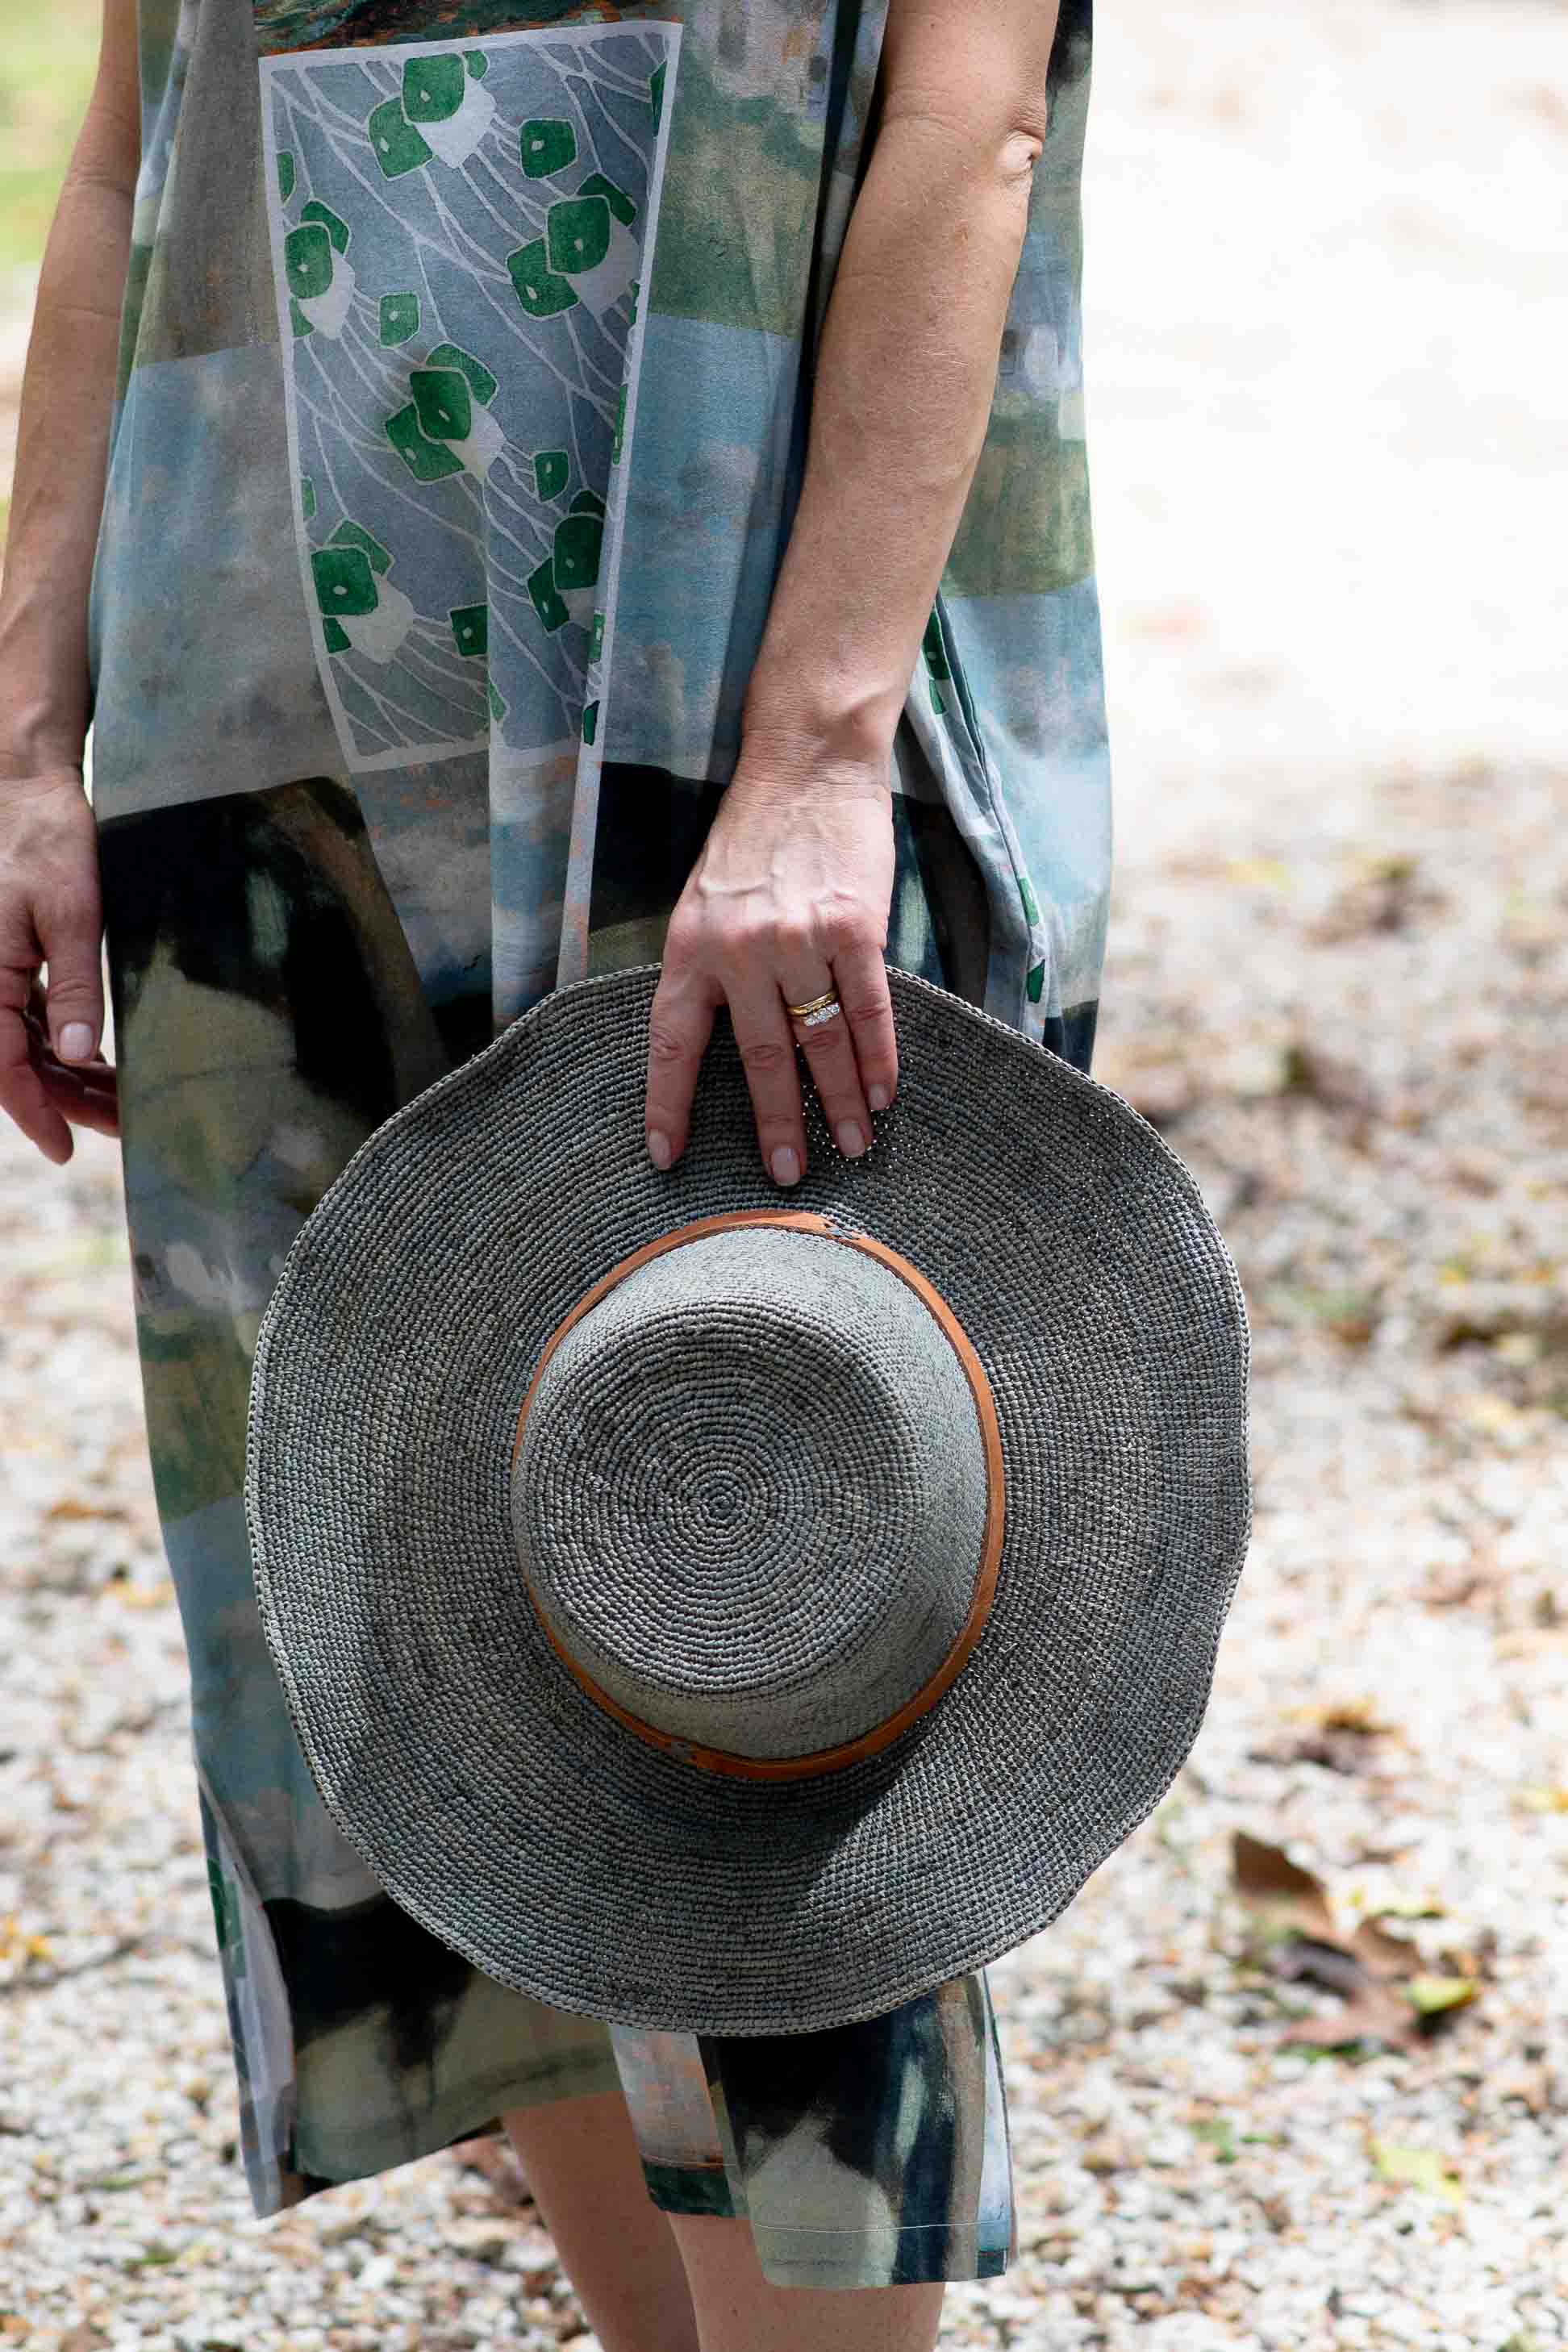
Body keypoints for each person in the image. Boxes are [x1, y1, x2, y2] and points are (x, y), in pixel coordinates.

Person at [0, 2, 1111, 2347]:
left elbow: (965, 107)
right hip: (254, 706)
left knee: (795, 1600)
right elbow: (127, 141)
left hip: (725, 684)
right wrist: (22, 724)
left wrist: (819, 750)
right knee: (437, 1655)